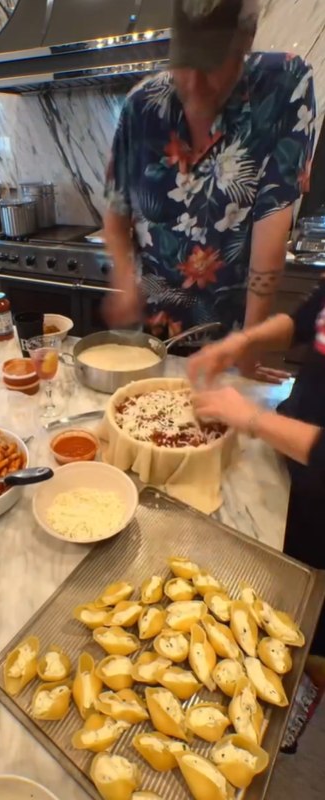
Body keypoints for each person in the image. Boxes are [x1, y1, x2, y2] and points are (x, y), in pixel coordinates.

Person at [104, 0, 316, 377]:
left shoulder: (283, 84)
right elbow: (116, 208)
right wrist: (123, 277)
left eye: (213, 66)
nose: (194, 84)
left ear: (246, 42)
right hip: (158, 330)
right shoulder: (142, 107)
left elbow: (273, 218)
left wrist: (250, 345)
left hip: (233, 332)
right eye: (184, 65)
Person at [188, 280, 325, 751]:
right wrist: (242, 341)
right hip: (298, 448)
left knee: (318, 603)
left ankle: (306, 680)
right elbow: (310, 316)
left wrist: (252, 419)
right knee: (290, 572)